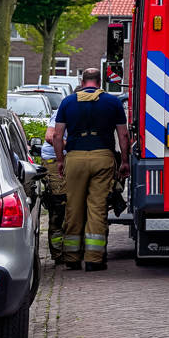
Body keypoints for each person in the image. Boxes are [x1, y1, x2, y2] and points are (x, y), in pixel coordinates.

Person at [44, 67, 128, 271]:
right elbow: (123, 135)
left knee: (73, 206)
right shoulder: (113, 102)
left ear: (82, 82)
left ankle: (71, 257)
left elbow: (57, 135)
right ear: (99, 82)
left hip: (74, 158)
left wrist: (60, 160)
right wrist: (124, 161)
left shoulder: (67, 102)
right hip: (103, 158)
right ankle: (94, 259)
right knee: (97, 208)